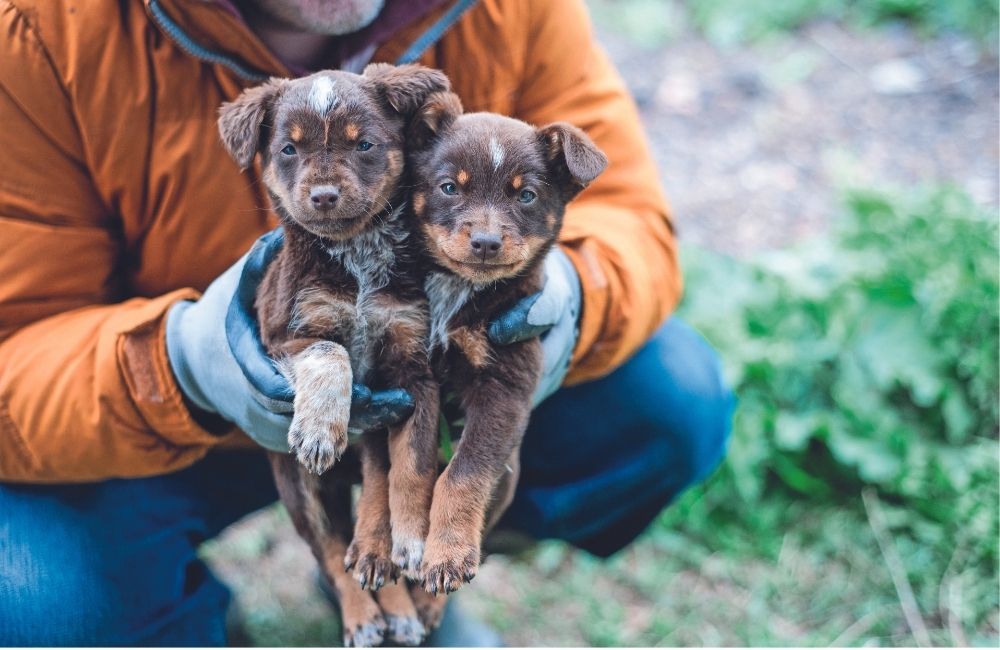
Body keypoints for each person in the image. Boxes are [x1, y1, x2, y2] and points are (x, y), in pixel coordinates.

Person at [0, 0, 734, 644]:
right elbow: (12, 342)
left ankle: (408, 576)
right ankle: (189, 620)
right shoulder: (43, 31)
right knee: (33, 597)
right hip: (166, 436)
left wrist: (572, 289)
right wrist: (177, 367)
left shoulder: (509, 6)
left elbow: (629, 212)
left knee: (667, 400)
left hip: (426, 386)